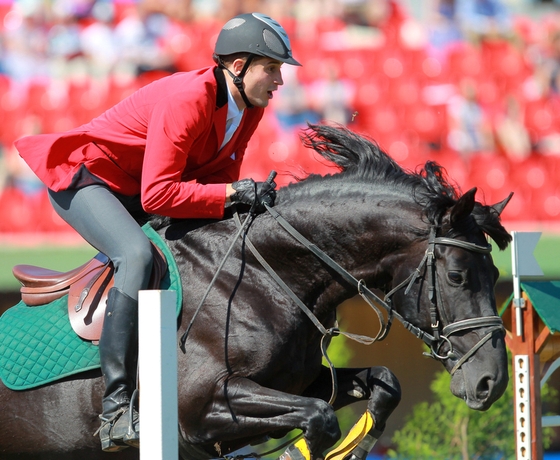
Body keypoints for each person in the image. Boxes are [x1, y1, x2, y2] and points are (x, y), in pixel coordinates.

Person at [14, 12, 300, 453]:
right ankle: (115, 409)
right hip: (88, 180)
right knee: (136, 255)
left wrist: (242, 200)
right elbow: (160, 196)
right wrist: (232, 193)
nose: (279, 79)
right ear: (239, 66)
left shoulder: (248, 108)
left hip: (136, 189)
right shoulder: (190, 97)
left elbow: (216, 185)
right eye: (273, 68)